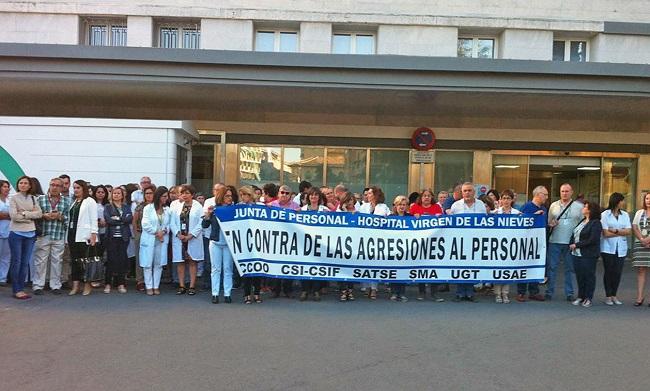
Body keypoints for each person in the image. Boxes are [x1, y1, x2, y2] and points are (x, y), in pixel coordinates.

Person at [32, 177, 71, 295]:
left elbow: (68, 219)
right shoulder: (40, 199)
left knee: (57, 261)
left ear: (62, 187)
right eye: (52, 185)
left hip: (58, 234)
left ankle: (55, 285)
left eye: (57, 185)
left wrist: (60, 216)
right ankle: (38, 285)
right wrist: (44, 215)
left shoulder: (66, 201)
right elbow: (34, 215)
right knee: (40, 260)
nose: (54, 187)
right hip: (44, 233)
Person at [545, 183, 583, 301]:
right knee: (552, 267)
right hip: (554, 241)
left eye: (567, 191)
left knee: (570, 269)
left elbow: (583, 223)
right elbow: (549, 222)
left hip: (570, 243)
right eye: (562, 191)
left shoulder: (579, 206)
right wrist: (551, 224)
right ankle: (549, 292)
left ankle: (569, 293)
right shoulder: (553, 205)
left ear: (571, 192)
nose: (564, 193)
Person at [449, 182, 486, 302]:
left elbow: (486, 222)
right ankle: (460, 292)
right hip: (459, 241)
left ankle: (470, 293)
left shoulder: (481, 205)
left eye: (470, 190)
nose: (467, 193)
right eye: (465, 191)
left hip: (475, 241)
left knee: (472, 266)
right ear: (461, 192)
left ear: (474, 192)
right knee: (460, 266)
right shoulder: (456, 206)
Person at [8, 175, 43, 299]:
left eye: (25, 183)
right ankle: (16, 289)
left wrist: (23, 213)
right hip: (16, 233)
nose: (22, 185)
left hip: (31, 233)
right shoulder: (13, 198)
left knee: (25, 262)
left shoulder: (33, 199)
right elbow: (13, 216)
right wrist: (29, 216)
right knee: (16, 261)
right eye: (21, 183)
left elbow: (39, 214)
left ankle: (21, 288)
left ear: (29, 185)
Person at [409, 189, 444, 302]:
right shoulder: (415, 207)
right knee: (421, 266)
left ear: (432, 197)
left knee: (434, 266)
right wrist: (414, 217)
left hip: (434, 241)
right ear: (421, 197)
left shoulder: (437, 208)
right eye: (424, 196)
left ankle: (434, 293)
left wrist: (440, 217)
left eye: (429, 196)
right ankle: (422, 292)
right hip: (420, 242)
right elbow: (408, 221)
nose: (427, 198)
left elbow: (443, 221)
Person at [517, 185, 549, 302]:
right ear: (537, 195)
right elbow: (521, 222)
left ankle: (534, 291)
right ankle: (521, 292)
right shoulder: (527, 207)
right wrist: (533, 216)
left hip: (538, 243)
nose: (546, 197)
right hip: (526, 242)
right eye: (544, 194)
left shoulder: (544, 209)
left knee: (536, 265)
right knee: (524, 266)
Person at [171, 184, 204, 295]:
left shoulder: (198, 206)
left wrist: (191, 235)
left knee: (192, 261)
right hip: (180, 237)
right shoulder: (177, 206)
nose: (184, 195)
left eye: (187, 193)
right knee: (180, 262)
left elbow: (201, 223)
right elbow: (173, 222)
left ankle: (192, 285)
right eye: (182, 193)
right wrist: (178, 233)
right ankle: (181, 285)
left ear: (192, 195)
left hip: (192, 238)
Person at [203, 186, 234, 304]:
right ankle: (215, 293)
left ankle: (227, 293)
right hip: (215, 242)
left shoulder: (234, 210)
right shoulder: (214, 209)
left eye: (230, 196)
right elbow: (204, 225)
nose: (229, 198)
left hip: (229, 243)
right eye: (227, 196)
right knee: (215, 269)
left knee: (228, 268)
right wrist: (208, 215)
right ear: (221, 197)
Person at [359, 186, 391, 300]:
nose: (368, 195)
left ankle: (374, 288)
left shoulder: (383, 207)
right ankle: (366, 287)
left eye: (370, 193)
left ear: (376, 195)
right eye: (367, 194)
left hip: (378, 239)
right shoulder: (364, 206)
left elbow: (389, 219)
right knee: (365, 263)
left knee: (374, 263)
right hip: (365, 239)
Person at [67, 180, 98, 296]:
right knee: (75, 261)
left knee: (86, 262)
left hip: (85, 235)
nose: (75, 190)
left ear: (83, 188)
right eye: (74, 188)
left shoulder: (90, 201)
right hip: (72, 235)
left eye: (78, 188)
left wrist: (94, 234)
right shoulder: (74, 202)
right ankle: (75, 286)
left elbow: (94, 218)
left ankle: (87, 285)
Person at [569, 201, 602, 308]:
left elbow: (592, 240)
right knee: (580, 276)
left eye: (585, 207)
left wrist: (577, 245)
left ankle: (588, 298)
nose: (583, 208)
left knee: (589, 276)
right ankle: (581, 296)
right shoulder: (583, 221)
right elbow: (575, 233)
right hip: (577, 254)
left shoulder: (596, 223)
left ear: (590, 210)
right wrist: (572, 244)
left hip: (588, 254)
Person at [600, 192, 631, 306]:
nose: (624, 203)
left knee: (617, 272)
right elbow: (606, 233)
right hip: (608, 248)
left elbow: (628, 231)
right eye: (622, 200)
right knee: (609, 271)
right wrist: (620, 232)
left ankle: (614, 295)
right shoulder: (605, 215)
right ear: (617, 201)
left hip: (621, 247)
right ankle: (608, 296)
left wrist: (615, 230)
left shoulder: (625, 215)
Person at [269, 185, 300, 298]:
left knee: (289, 264)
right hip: (275, 239)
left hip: (290, 240)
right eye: (282, 192)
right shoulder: (272, 205)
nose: (284, 195)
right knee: (275, 265)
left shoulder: (295, 206)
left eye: (287, 193)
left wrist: (299, 213)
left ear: (291, 195)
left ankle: (288, 289)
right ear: (278, 193)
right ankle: (275, 290)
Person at [298, 187, 329, 301]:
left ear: (319, 197)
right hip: (305, 242)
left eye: (316, 195)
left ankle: (316, 290)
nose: (313, 197)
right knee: (305, 266)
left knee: (318, 266)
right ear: (308, 197)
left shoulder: (324, 210)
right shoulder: (302, 209)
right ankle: (305, 290)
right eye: (311, 195)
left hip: (319, 243)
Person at [139, 186, 171, 296]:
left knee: (159, 263)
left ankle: (156, 285)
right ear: (158, 196)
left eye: (166, 196)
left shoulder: (167, 210)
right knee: (148, 263)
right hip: (150, 238)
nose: (166, 198)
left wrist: (164, 231)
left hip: (161, 240)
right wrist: (157, 232)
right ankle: (148, 286)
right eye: (164, 196)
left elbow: (169, 225)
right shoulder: (148, 208)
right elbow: (145, 224)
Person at [103, 187, 133, 294]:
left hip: (123, 237)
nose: (116, 195)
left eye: (118, 193)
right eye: (114, 193)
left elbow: (129, 219)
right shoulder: (108, 207)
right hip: (111, 237)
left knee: (122, 260)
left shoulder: (126, 207)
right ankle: (107, 284)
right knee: (111, 260)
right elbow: (109, 220)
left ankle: (121, 284)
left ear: (122, 195)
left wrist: (117, 219)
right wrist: (121, 220)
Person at [493, 189, 520, 303]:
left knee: (508, 270)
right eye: (504, 198)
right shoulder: (495, 213)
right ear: (500, 200)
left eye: (508, 198)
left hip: (510, 245)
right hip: (497, 245)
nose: (506, 200)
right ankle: (497, 294)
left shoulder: (517, 213)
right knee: (498, 269)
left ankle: (505, 294)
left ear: (512, 200)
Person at [238, 186, 262, 304]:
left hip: (258, 241)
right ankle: (246, 294)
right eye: (241, 195)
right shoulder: (238, 207)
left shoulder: (260, 206)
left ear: (250, 195)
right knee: (246, 268)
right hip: (244, 241)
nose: (243, 197)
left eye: (245, 195)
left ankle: (256, 293)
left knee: (257, 268)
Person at [201, 183, 225, 291]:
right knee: (209, 261)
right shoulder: (209, 201)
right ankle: (208, 283)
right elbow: (205, 216)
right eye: (215, 190)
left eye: (220, 190)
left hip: (223, 236)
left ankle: (221, 284)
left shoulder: (228, 203)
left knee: (224, 263)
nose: (217, 192)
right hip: (210, 234)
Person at [132, 184, 155, 292]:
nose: (149, 195)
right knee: (140, 258)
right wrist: (136, 234)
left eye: (151, 193)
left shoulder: (158, 206)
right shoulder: (141, 206)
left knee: (153, 258)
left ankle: (152, 280)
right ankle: (140, 280)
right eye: (146, 194)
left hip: (154, 235)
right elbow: (135, 220)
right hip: (141, 234)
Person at [337, 191, 357, 302]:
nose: (349, 202)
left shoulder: (359, 211)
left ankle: (350, 290)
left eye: (351, 200)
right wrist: (344, 211)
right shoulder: (339, 211)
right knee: (342, 268)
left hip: (354, 244)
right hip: (342, 244)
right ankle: (343, 291)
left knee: (351, 269)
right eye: (347, 200)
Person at [390, 195, 410, 302]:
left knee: (403, 271)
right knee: (394, 271)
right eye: (399, 205)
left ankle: (402, 293)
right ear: (395, 206)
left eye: (404, 205)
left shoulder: (410, 217)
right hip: (393, 249)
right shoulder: (390, 217)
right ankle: (394, 292)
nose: (401, 207)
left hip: (406, 249)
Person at [632, 192, 650, 306]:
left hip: (647, 242)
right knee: (641, 270)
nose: (648, 200)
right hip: (640, 244)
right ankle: (639, 297)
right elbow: (634, 226)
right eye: (647, 198)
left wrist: (648, 240)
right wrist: (642, 240)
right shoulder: (639, 212)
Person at [0, 180, 11, 286]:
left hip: (8, 232)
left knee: (6, 257)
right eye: (4, 186)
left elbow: (14, 215)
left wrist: (5, 215)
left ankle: (2, 278)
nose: (7, 188)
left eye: (8, 187)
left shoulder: (9, 201)